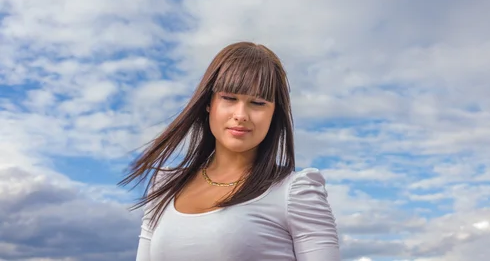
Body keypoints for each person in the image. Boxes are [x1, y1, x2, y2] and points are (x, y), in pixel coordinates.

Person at [119, 41, 341, 260]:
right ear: (209, 103)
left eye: (258, 103)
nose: (241, 114)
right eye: (229, 98)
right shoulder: (165, 184)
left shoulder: (295, 193)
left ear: (274, 114)